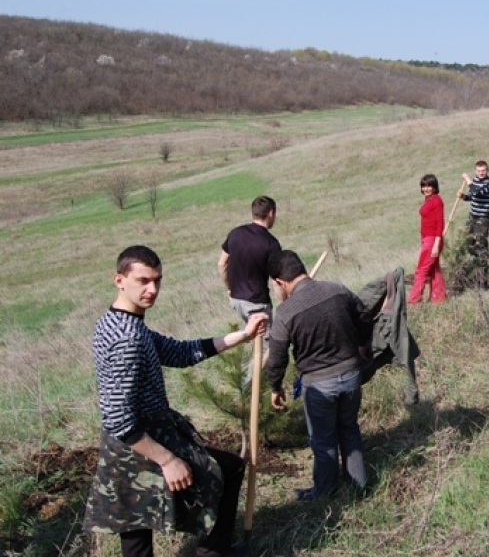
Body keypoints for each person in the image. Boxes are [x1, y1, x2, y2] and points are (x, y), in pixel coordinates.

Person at [84, 245, 268, 557]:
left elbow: (178, 352)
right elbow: (119, 419)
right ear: (119, 279)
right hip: (138, 442)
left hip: (127, 441)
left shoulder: (120, 322)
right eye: (143, 281)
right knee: (226, 470)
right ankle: (214, 552)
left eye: (157, 280)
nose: (152, 290)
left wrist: (244, 335)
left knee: (135, 527)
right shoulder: (127, 338)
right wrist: (168, 461)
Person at [266, 250, 372, 499]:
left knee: (323, 441)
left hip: (319, 386)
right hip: (351, 375)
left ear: (280, 282)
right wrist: (362, 344)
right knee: (349, 429)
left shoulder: (285, 313)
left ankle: (325, 493)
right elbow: (365, 317)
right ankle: (359, 487)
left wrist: (275, 387)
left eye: (274, 286)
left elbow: (277, 357)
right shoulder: (337, 289)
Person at [217, 196, 281, 355]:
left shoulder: (235, 233)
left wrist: (230, 288)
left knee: (253, 338)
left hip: (237, 300)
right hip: (257, 304)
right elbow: (277, 280)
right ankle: (253, 380)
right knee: (267, 350)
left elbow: (221, 264)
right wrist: (288, 303)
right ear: (271, 213)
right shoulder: (271, 243)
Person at [457, 160, 489, 290]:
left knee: (481, 248)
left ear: (487, 170)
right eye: (479, 171)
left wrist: (468, 180)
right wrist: (463, 197)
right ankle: (468, 275)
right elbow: (472, 196)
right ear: (476, 171)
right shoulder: (475, 181)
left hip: (483, 219)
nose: (481, 173)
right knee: (466, 244)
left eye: (483, 170)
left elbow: (479, 192)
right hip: (472, 217)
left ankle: (482, 281)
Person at [409, 174, 447, 303]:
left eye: (429, 186)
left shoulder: (437, 201)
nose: (426, 188)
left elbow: (440, 224)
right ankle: (439, 298)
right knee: (434, 269)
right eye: (424, 186)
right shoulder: (428, 199)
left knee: (421, 270)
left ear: (435, 187)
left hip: (433, 240)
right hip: (427, 239)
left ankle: (413, 301)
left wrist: (436, 244)